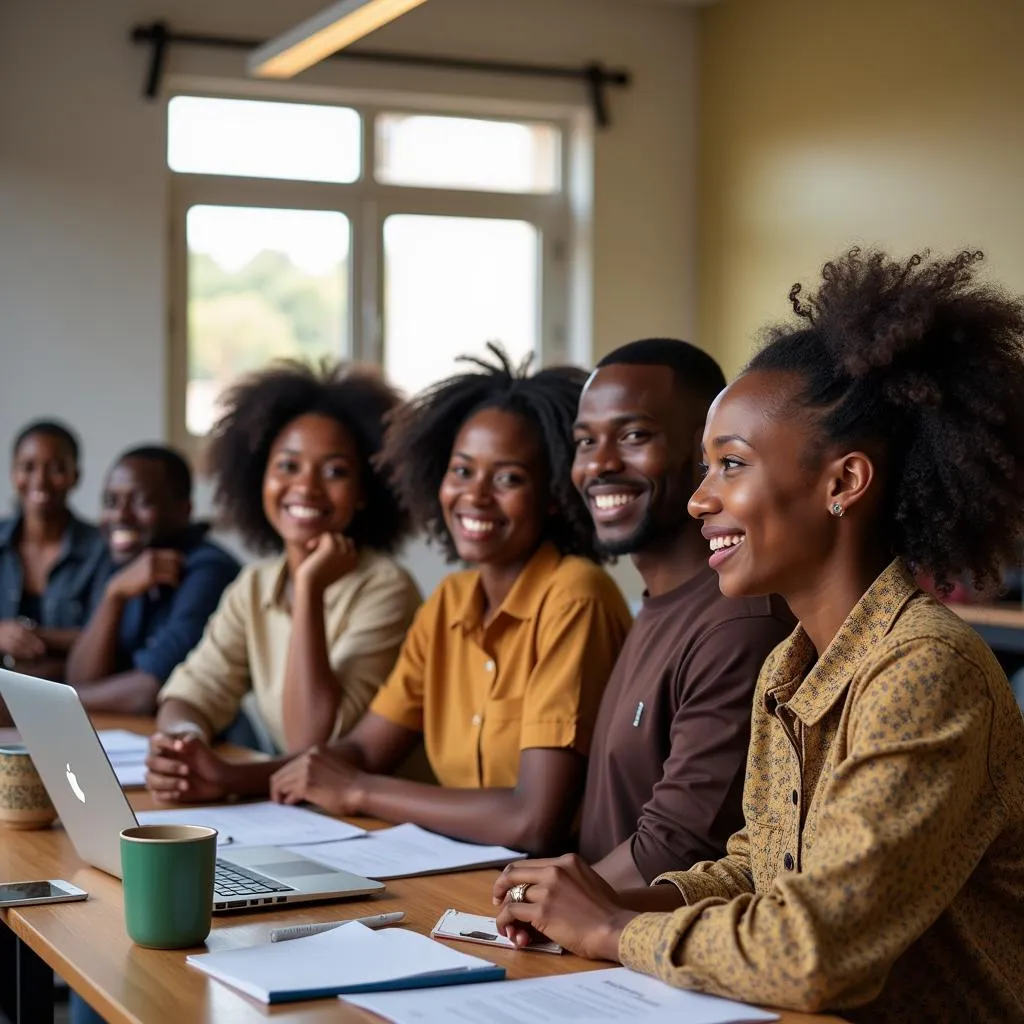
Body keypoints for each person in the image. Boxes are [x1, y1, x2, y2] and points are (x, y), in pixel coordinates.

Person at [493, 249, 1024, 1022]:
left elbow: (815, 953)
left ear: (843, 483)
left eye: (731, 465)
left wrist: (612, 928)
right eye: (707, 468)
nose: (702, 499)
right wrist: (600, 895)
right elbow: (760, 866)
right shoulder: (791, 663)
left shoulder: (925, 672)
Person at [269, 346, 633, 855]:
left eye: (508, 478)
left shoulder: (575, 595)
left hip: (549, 889)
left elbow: (534, 821)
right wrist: (234, 776)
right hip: (459, 866)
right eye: (462, 471)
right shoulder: (450, 601)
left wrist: (356, 789)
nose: (475, 496)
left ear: (553, 494)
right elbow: (361, 751)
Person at [143, 361, 422, 799]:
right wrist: (184, 741)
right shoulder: (255, 585)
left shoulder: (387, 589)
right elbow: (193, 692)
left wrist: (309, 588)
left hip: (380, 828)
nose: (306, 487)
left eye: (334, 471)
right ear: (260, 477)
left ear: (365, 490)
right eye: (288, 466)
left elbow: (313, 744)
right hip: (297, 816)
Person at [572, 338, 794, 887]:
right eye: (584, 442)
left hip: (651, 955)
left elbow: (674, 852)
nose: (599, 463)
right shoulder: (656, 605)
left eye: (634, 436)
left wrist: (552, 907)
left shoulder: (740, 623)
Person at [65, 446, 240, 714]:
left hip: (210, 744)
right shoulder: (122, 563)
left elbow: (150, 692)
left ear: (184, 510)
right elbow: (80, 679)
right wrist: (115, 595)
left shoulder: (209, 571)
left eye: (141, 502)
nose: (121, 516)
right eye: (111, 502)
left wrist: (45, 706)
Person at [0, 420, 106, 683]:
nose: (40, 480)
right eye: (28, 467)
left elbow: (105, 636)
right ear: (13, 474)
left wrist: (30, 634)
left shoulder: (101, 549)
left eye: (57, 468)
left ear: (75, 476)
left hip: (69, 690)